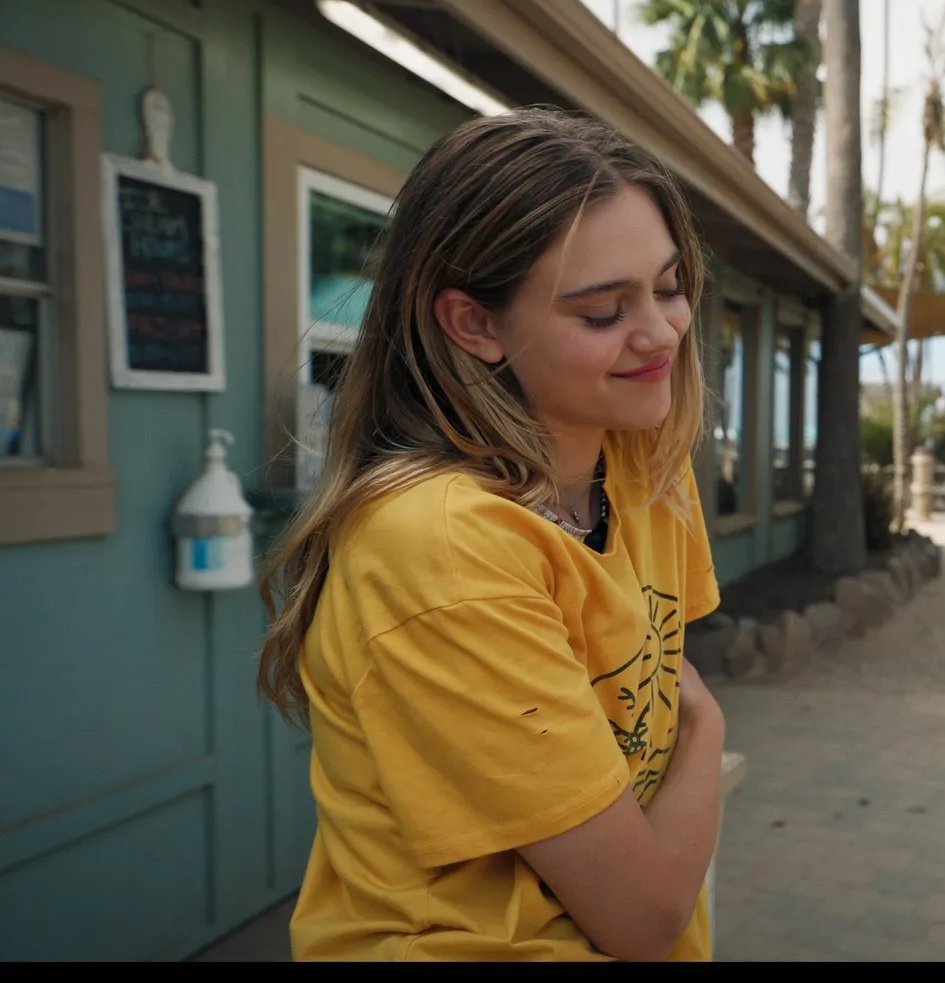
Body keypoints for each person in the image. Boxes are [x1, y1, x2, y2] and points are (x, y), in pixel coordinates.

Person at [257, 108, 725, 961]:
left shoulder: (645, 459)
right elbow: (645, 917)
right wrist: (708, 733)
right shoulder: (441, 545)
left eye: (667, 287)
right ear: (475, 325)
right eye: (602, 312)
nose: (661, 333)